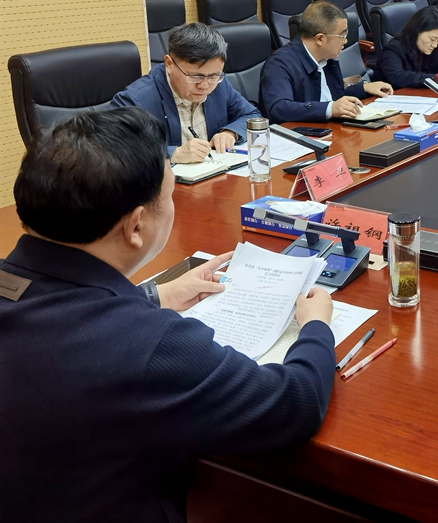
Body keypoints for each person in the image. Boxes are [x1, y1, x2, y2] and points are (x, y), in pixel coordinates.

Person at [0, 107, 336, 521]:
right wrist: (316, 326)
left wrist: (152, 296)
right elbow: (294, 405)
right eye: (171, 195)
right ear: (136, 226)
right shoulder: (152, 345)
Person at [112, 22, 260, 163]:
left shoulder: (219, 84)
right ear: (169, 64)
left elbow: (252, 115)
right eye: (195, 76)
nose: (204, 85)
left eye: (213, 76)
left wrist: (230, 132)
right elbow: (115, 151)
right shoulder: (135, 100)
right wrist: (174, 154)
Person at [259, 0, 393, 123]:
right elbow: (279, 109)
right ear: (320, 39)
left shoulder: (326, 58)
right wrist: (330, 109)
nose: (345, 41)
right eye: (342, 35)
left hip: (331, 128)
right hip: (301, 135)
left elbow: (333, 98)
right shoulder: (279, 64)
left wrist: (364, 88)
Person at [377, 5, 438, 89]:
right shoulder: (393, 49)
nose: (435, 45)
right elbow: (398, 77)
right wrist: (435, 79)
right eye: (432, 39)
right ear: (417, 31)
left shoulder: (433, 48)